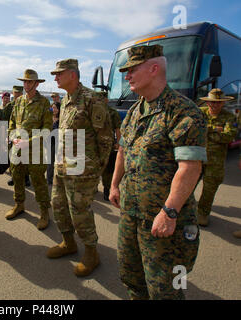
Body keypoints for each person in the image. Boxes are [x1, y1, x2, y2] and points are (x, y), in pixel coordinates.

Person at [110, 45, 207, 299]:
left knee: (165, 290)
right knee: (132, 278)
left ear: (154, 68)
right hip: (131, 213)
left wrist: (170, 211)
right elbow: (122, 149)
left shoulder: (183, 112)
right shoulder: (134, 111)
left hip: (162, 221)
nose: (127, 75)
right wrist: (114, 184)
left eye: (132, 70)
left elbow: (190, 167)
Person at [47, 59, 113, 277]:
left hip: (83, 169)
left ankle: (92, 253)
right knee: (58, 205)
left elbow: (105, 140)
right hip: (63, 165)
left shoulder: (91, 100)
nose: (55, 77)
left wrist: (96, 171)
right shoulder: (66, 99)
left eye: (59, 74)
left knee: (80, 212)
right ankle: (68, 243)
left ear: (72, 75)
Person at [6, 69, 52, 230]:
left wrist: (29, 142)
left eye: (30, 82)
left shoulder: (44, 103)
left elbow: (47, 130)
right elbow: (12, 122)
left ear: (36, 83)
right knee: (17, 178)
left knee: (39, 182)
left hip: (35, 151)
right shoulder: (19, 101)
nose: (26, 84)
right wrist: (12, 137)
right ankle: (19, 205)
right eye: (24, 81)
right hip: (17, 148)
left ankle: (44, 212)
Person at [196, 88, 237, 227]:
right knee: (186, 185)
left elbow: (228, 137)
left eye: (218, 103)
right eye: (212, 102)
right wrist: (215, 129)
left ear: (223, 103)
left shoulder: (230, 117)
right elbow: (193, 129)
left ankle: (202, 213)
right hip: (196, 157)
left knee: (209, 189)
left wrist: (206, 130)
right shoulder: (200, 112)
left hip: (215, 161)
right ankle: (183, 210)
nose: (215, 105)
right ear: (207, 103)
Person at [3, 86, 30, 187]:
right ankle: (13, 177)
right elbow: (4, 122)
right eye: (16, 92)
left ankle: (26, 177)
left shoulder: (26, 104)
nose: (17, 94)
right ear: (13, 93)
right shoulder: (9, 107)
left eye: (19, 93)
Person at [101, 100, 122, 200]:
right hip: (96, 145)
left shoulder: (113, 112)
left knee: (108, 169)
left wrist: (118, 143)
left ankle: (106, 189)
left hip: (109, 145)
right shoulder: (94, 111)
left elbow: (118, 129)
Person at [46, 94, 61, 185]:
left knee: (60, 163)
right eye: (53, 108)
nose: (54, 110)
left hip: (59, 143)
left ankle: (60, 180)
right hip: (50, 143)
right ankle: (49, 179)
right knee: (50, 163)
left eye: (56, 108)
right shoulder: (49, 118)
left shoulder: (62, 119)